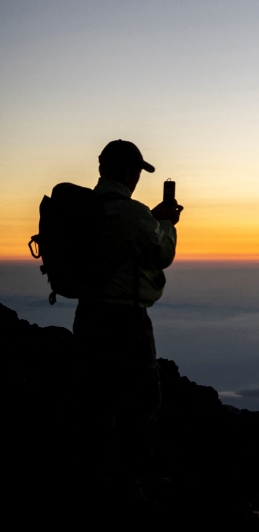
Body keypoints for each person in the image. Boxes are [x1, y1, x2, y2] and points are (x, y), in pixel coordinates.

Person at [73, 140, 183, 493]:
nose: (138, 177)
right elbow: (160, 253)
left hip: (88, 315)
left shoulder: (86, 208)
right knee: (142, 400)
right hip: (126, 320)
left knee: (94, 398)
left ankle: (90, 475)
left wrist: (150, 217)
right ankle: (128, 484)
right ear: (125, 171)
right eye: (136, 171)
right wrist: (165, 223)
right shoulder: (133, 213)